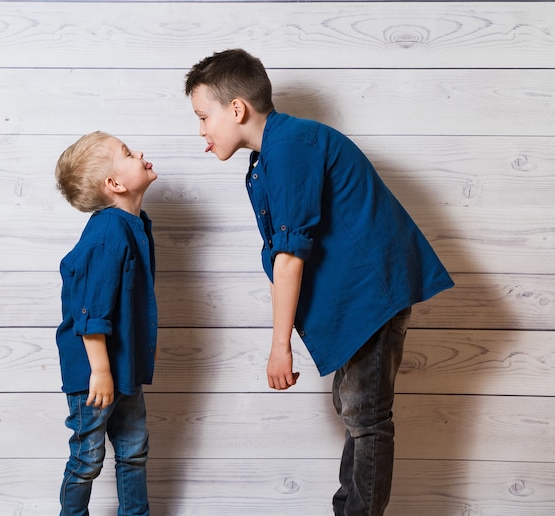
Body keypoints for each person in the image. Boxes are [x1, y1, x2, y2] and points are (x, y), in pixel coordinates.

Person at [185, 49, 454, 515]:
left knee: (367, 419)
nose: (202, 132)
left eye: (203, 117)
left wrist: (279, 345)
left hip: (372, 296)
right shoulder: (267, 160)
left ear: (236, 109)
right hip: (353, 301)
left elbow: (290, 256)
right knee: (355, 412)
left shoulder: (290, 145)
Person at [54, 131, 158, 515]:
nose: (141, 152)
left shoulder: (136, 225)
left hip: (124, 366)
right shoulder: (109, 231)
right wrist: (100, 370)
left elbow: (132, 297)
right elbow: (89, 308)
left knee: (133, 449)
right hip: (94, 373)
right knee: (87, 458)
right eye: (129, 153)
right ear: (114, 184)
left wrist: (146, 340)